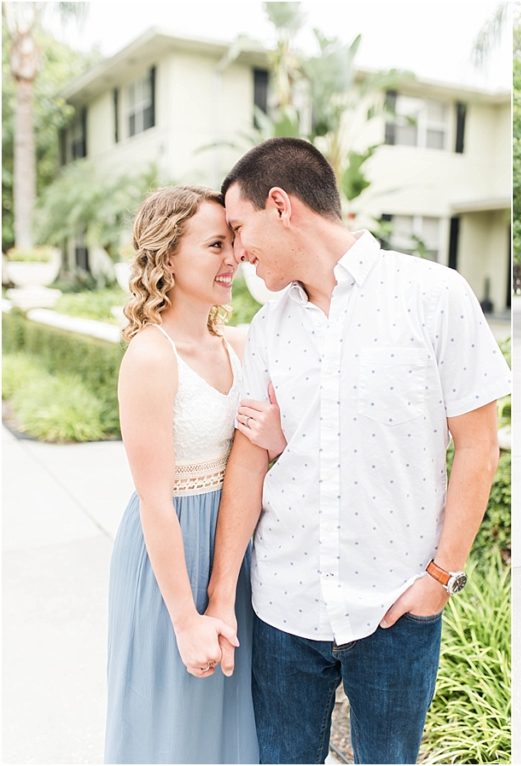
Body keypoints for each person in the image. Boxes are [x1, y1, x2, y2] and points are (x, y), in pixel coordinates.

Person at [202, 137, 512, 764]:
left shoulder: (434, 295)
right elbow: (249, 461)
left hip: (396, 610)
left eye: (238, 228)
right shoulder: (267, 328)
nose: (237, 252)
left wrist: (440, 578)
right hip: (283, 608)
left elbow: (479, 447)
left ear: (281, 206)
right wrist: (220, 596)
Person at [106, 186, 285, 763]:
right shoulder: (150, 357)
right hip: (171, 556)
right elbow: (155, 501)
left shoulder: (240, 342)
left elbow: (262, 454)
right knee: (173, 723)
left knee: (231, 724)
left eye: (233, 242)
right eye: (215, 244)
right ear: (167, 256)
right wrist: (185, 619)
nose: (233, 258)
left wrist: (276, 441)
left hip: (233, 550)